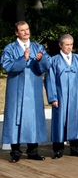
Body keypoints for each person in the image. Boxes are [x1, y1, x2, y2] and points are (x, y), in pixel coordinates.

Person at [1, 21, 52, 162]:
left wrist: (40, 60)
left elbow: (47, 64)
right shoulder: (10, 48)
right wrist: (23, 59)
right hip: (16, 88)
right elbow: (7, 66)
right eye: (22, 30)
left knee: (33, 118)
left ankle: (33, 150)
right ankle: (15, 151)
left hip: (33, 88)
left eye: (27, 29)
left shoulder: (37, 47)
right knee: (14, 118)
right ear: (17, 32)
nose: (26, 32)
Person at [45, 34, 78, 159]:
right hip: (61, 96)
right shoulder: (54, 60)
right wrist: (53, 97)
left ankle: (75, 149)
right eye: (67, 45)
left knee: (75, 120)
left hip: (76, 95)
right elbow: (50, 80)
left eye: (71, 44)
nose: (69, 47)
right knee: (60, 121)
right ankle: (58, 150)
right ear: (60, 45)